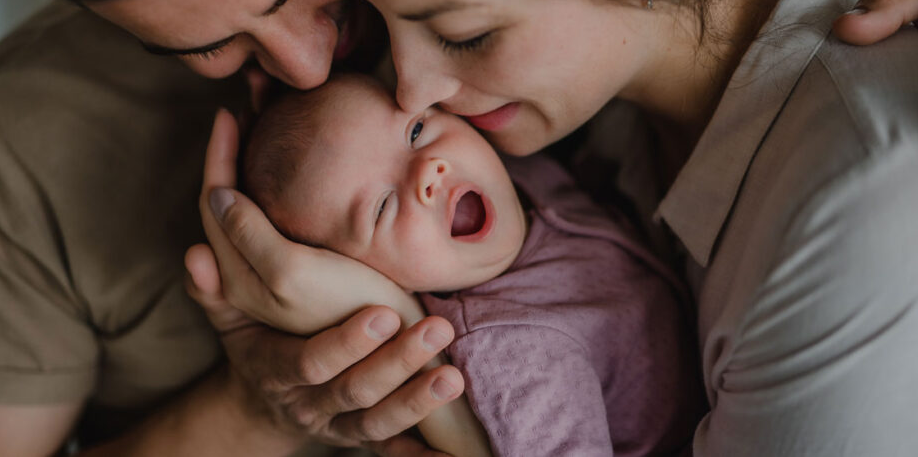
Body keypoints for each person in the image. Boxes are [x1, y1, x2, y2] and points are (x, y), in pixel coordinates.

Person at [0, 0, 918, 455]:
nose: (309, 64)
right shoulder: (16, 141)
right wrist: (267, 402)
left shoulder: (556, 69)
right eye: (212, 44)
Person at [241, 73, 705, 456]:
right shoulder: (510, 350)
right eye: (382, 208)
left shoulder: (517, 172)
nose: (428, 171)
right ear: (372, 277)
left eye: (417, 131)